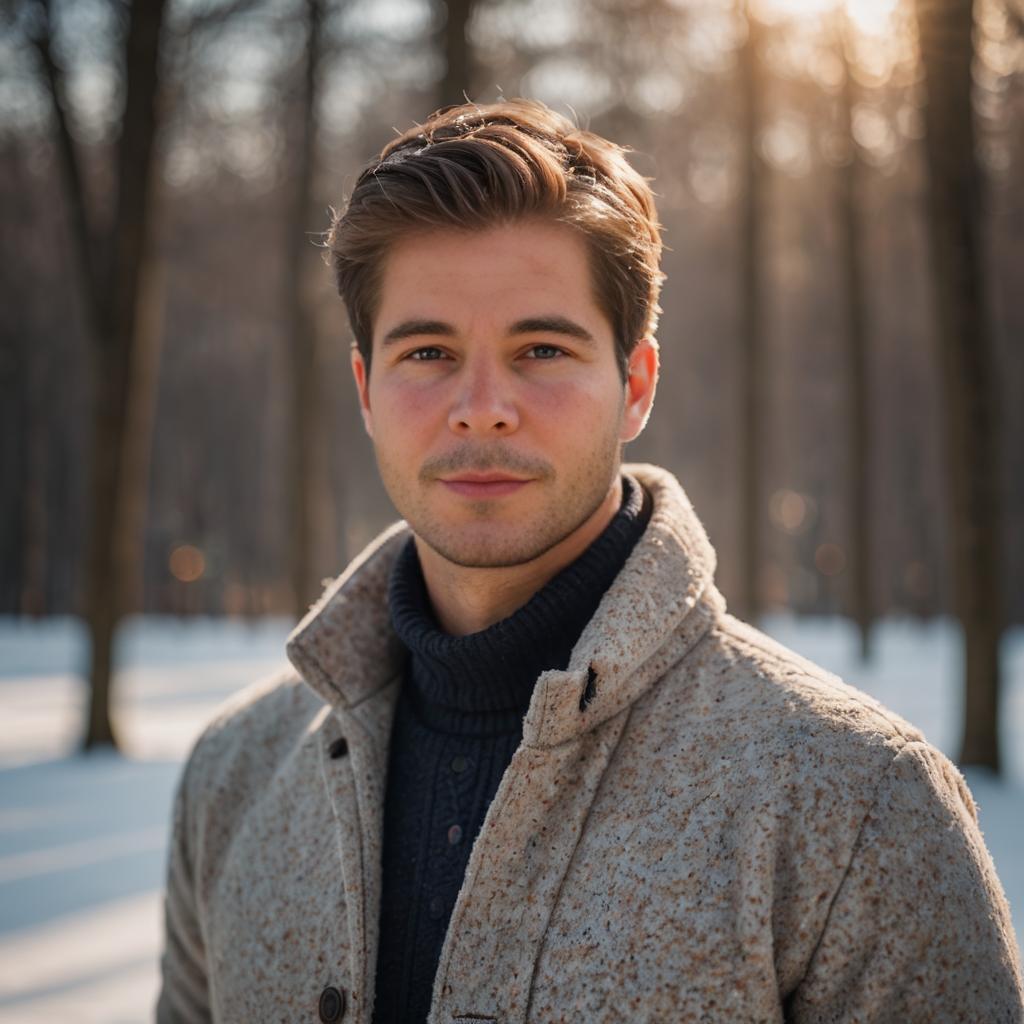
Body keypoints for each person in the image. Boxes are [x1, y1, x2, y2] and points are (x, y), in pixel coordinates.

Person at [157, 99, 1023, 1024]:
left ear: (636, 383)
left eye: (541, 348)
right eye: (428, 351)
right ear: (367, 389)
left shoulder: (856, 802)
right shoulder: (231, 777)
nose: (481, 407)